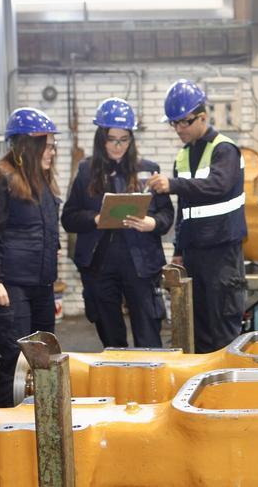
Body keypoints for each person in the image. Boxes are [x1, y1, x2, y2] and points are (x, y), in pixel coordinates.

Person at [61, 97, 173, 348]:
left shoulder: (148, 170)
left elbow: (166, 216)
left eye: (124, 139)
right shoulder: (86, 171)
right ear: (101, 138)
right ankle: (118, 385)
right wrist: (96, 219)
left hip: (141, 264)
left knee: (148, 337)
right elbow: (69, 218)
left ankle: (151, 386)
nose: (118, 146)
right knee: (112, 339)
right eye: (112, 139)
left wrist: (152, 223)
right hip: (100, 265)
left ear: (131, 139)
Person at [147, 80, 247, 354]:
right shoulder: (182, 156)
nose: (179, 129)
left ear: (203, 116)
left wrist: (172, 184)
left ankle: (229, 388)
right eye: (174, 124)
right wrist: (179, 251)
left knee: (222, 325)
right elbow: (185, 209)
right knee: (199, 324)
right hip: (194, 253)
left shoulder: (224, 149)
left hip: (221, 252)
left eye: (184, 122)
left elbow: (219, 185)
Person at [0, 107, 61, 407]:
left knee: (43, 356)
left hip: (40, 285)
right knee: (16, 360)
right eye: (47, 146)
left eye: (53, 145)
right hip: (11, 286)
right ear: (27, 146)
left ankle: (36, 424)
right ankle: (4, 430)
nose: (52, 151)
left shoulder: (42, 182)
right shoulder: (0, 179)